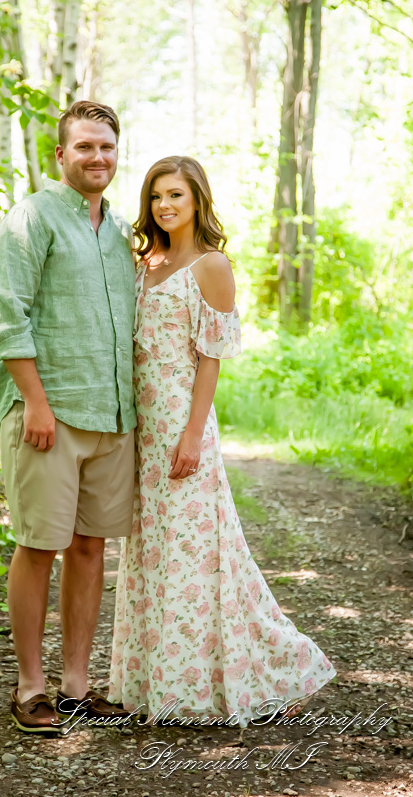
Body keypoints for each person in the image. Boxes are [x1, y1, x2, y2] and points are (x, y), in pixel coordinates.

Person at [108, 156, 336, 725]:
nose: (164, 206)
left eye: (175, 196)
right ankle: (152, 681)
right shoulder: (145, 261)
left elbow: (210, 360)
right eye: (156, 196)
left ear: (197, 201)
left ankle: (217, 682)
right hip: (143, 429)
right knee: (153, 554)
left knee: (200, 556)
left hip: (184, 428)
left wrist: (191, 435)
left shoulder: (211, 266)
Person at [0, 101, 137, 734]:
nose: (97, 157)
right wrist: (35, 402)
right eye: (84, 147)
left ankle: (75, 683)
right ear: (61, 155)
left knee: (91, 547)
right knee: (38, 546)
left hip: (111, 415)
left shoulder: (125, 231)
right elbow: (5, 315)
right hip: (50, 413)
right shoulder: (33, 218)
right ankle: (30, 686)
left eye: (106, 147)